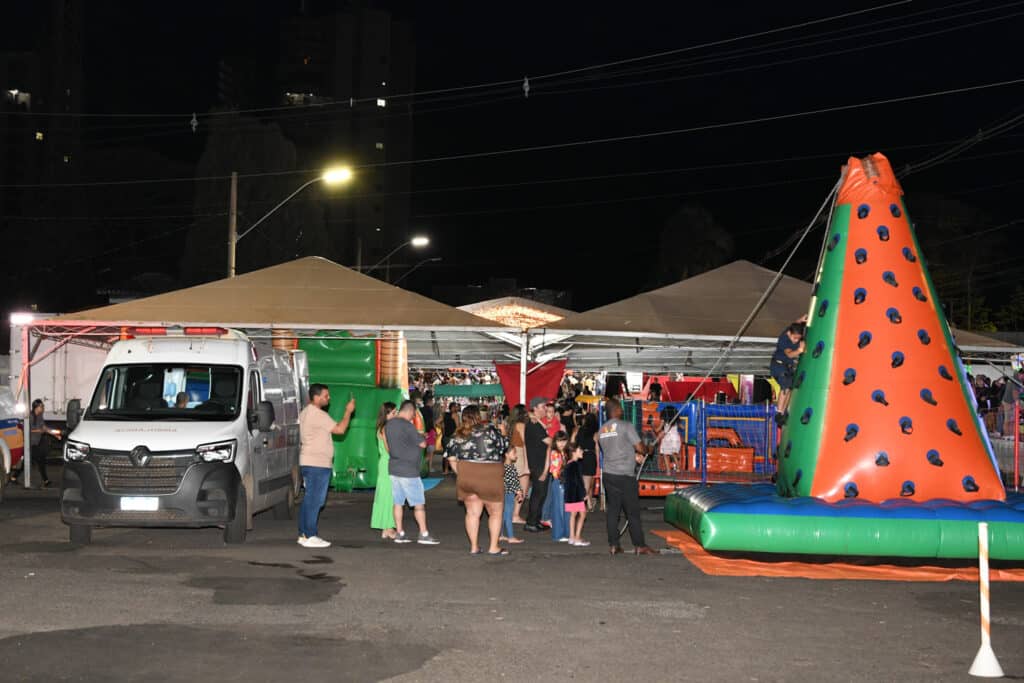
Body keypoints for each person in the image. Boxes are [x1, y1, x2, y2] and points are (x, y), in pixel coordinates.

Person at [297, 384, 355, 549]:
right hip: (317, 463)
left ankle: (304, 534)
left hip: (308, 461)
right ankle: (310, 534)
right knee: (315, 500)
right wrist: (348, 412)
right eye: (325, 396)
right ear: (316, 397)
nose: (328, 398)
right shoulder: (318, 415)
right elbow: (340, 429)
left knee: (309, 498)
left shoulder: (305, 412)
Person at [446, 404, 509, 555]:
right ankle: (493, 547)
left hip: (467, 474)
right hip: (490, 475)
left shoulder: (457, 435)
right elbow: (504, 447)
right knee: (495, 512)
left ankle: (474, 547)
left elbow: (451, 458)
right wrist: (504, 432)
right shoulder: (490, 430)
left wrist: (461, 473)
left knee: (472, 513)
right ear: (478, 417)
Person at [599, 399, 656, 556]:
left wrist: (632, 456)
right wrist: (649, 449)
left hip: (609, 474)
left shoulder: (602, 430)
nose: (622, 411)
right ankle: (639, 545)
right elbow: (640, 448)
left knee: (613, 511)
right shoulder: (626, 426)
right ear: (616, 410)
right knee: (632, 512)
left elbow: (616, 449)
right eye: (620, 408)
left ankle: (613, 545)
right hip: (624, 475)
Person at [385, 400, 439, 545]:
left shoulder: (389, 424)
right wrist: (422, 437)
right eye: (413, 414)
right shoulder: (408, 425)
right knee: (418, 504)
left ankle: (400, 533)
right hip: (409, 470)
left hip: (394, 468)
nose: (413, 417)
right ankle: (423, 534)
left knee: (398, 503)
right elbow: (422, 444)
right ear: (410, 411)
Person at [11, 400, 57, 487]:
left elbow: (44, 427)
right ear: (36, 407)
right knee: (40, 461)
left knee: (27, 462)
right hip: (30, 444)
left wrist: (53, 434)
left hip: (36, 443)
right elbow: (26, 429)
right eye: (41, 406)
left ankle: (13, 477)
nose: (43, 408)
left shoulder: (40, 416)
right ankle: (46, 481)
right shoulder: (30, 416)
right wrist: (38, 430)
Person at [524, 397, 553, 533]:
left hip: (539, 462)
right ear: (535, 408)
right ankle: (531, 522)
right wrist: (561, 441)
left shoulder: (537, 422)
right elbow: (549, 441)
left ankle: (536, 520)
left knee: (541, 494)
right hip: (538, 463)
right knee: (538, 493)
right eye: (542, 406)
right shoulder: (534, 424)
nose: (545, 409)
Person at [371, 402, 398, 540]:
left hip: (384, 462)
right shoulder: (386, 428)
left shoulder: (382, 428)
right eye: (393, 412)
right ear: (387, 414)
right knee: (389, 496)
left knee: (385, 495)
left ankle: (386, 527)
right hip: (388, 463)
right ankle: (388, 528)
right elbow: (389, 449)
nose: (396, 414)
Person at [770, 320, 806, 425]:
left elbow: (795, 323)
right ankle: (779, 412)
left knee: (789, 388)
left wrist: (802, 319)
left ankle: (783, 412)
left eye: (798, 338)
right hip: (778, 365)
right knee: (785, 387)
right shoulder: (784, 339)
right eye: (794, 338)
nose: (796, 340)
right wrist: (799, 350)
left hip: (787, 367)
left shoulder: (792, 330)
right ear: (789, 333)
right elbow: (789, 354)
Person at [545, 431, 571, 542]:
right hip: (559, 481)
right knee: (559, 508)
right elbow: (555, 471)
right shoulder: (555, 453)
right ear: (555, 442)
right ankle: (558, 534)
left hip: (564, 481)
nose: (561, 443)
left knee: (565, 508)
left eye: (563, 441)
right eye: (559, 441)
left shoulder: (565, 452)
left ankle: (566, 532)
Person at [506, 404, 530, 524]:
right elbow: (525, 444)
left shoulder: (510, 425)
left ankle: (510, 513)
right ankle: (515, 515)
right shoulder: (521, 425)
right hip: (520, 455)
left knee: (513, 486)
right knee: (522, 487)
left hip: (512, 454)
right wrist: (527, 464)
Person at [563, 443, 589, 547]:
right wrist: (584, 493)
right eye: (580, 450)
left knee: (573, 515)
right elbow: (578, 481)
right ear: (573, 452)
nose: (582, 451)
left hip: (570, 494)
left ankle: (572, 537)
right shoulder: (576, 465)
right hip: (577, 494)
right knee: (582, 515)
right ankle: (577, 537)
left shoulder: (568, 464)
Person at [573, 412, 599, 512]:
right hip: (590, 458)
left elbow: (575, 443)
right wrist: (598, 462)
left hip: (580, 457)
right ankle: (581, 506)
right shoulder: (595, 433)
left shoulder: (580, 430)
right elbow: (597, 449)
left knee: (583, 483)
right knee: (587, 484)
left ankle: (588, 504)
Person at [500, 448, 525, 545]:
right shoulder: (508, 467)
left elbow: (513, 481)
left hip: (505, 493)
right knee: (508, 515)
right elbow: (512, 482)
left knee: (503, 515)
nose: (516, 455)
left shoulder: (504, 466)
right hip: (509, 493)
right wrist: (518, 491)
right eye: (514, 453)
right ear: (506, 454)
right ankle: (511, 537)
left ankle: (500, 534)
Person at [658, 407, 681, 474]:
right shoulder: (675, 421)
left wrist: (653, 425)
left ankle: (668, 471)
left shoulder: (664, 420)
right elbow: (681, 427)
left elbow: (658, 429)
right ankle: (678, 468)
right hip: (675, 438)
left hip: (668, 438)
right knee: (673, 454)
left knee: (665, 454)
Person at [441, 401, 459, 476]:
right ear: (453, 407)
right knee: (453, 453)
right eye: (456, 406)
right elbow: (458, 426)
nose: (457, 408)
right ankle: (453, 469)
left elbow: (437, 422)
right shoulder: (455, 415)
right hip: (452, 437)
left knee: (446, 453)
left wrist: (442, 429)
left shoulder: (445, 415)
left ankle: (446, 470)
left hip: (445, 436)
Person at [421, 392, 437, 474]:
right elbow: (432, 422)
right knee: (430, 453)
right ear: (429, 401)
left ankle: (424, 467)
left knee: (424, 452)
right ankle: (427, 467)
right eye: (432, 400)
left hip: (422, 432)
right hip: (430, 432)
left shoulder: (421, 409)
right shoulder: (430, 410)